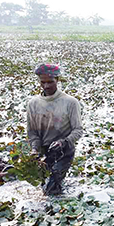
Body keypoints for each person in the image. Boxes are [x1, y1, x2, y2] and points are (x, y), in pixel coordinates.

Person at [27, 64, 83, 195]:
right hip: (43, 151)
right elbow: (32, 132)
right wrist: (35, 149)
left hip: (64, 151)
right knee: (43, 186)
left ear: (57, 80)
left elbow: (78, 130)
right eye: (43, 82)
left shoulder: (70, 102)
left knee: (52, 186)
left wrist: (63, 142)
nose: (46, 86)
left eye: (50, 82)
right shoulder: (33, 104)